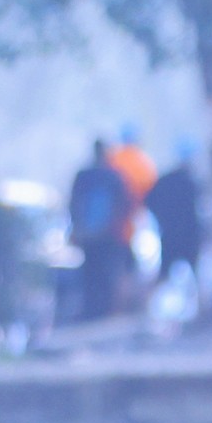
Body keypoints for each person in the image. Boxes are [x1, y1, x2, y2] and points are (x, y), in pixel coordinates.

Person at [65, 137, 136, 321]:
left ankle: (91, 310)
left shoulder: (83, 176)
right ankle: (105, 311)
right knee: (106, 273)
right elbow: (125, 203)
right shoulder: (114, 176)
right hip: (109, 234)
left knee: (90, 272)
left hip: (88, 235)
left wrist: (77, 228)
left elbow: (73, 203)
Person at [145, 148, 209, 317]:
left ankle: (145, 310)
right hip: (190, 235)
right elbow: (203, 210)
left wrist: (162, 219)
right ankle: (203, 311)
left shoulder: (165, 181)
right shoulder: (193, 182)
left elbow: (149, 201)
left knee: (163, 274)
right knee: (196, 276)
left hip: (170, 234)